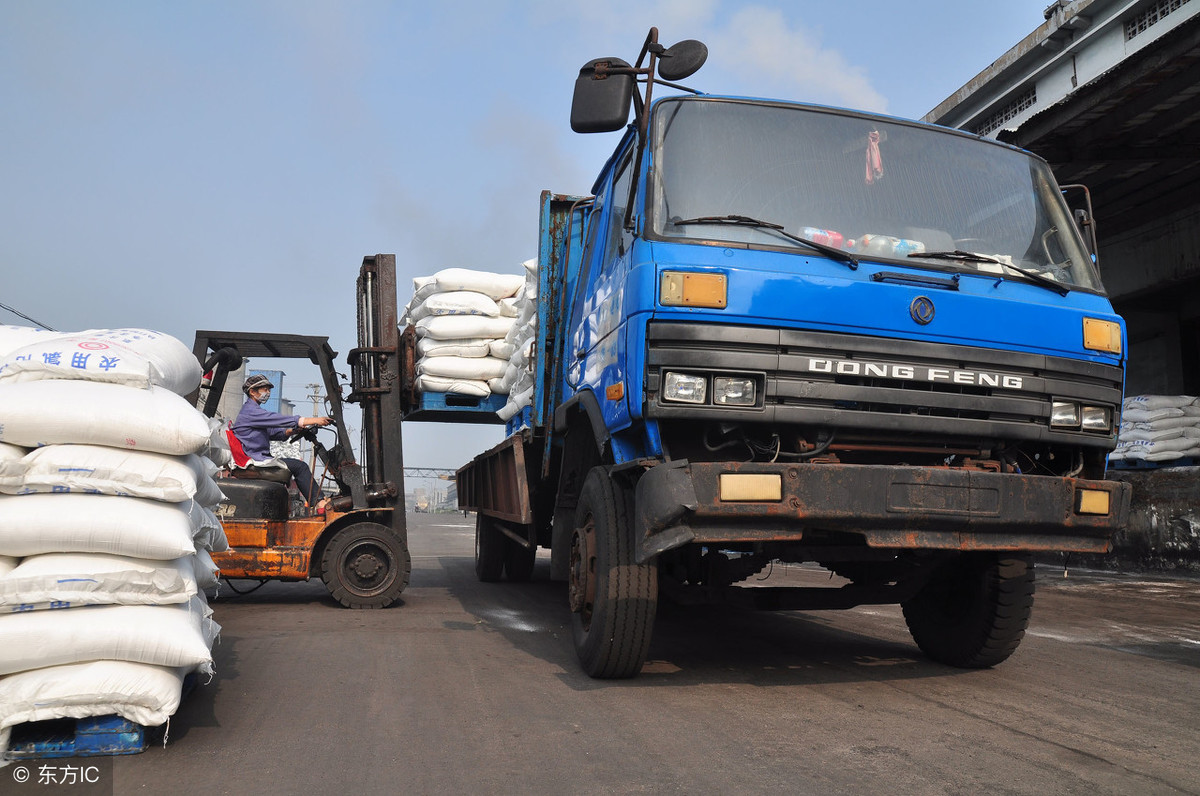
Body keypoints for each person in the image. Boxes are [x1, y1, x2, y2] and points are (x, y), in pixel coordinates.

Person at [231, 373, 333, 507]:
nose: (267, 393)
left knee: (298, 466)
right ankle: (319, 502)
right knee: (300, 466)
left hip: (259, 457)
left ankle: (319, 500)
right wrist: (309, 420)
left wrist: (291, 431)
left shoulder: (253, 411)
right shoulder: (251, 411)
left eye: (268, 390)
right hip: (256, 459)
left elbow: (271, 432)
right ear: (252, 392)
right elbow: (276, 419)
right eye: (265, 389)